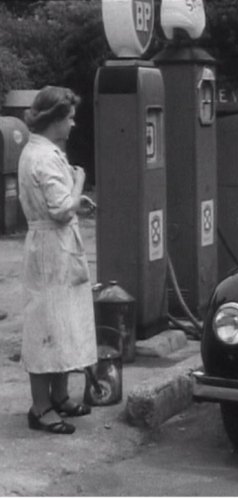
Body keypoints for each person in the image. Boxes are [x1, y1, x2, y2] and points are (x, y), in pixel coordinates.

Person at [18, 86, 97, 435]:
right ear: (54, 120)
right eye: (69, 117)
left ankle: (60, 395)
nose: (74, 124)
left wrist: (76, 201)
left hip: (56, 248)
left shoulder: (43, 150)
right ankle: (41, 407)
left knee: (63, 323)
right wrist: (80, 182)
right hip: (51, 249)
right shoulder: (44, 157)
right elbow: (62, 209)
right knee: (46, 328)